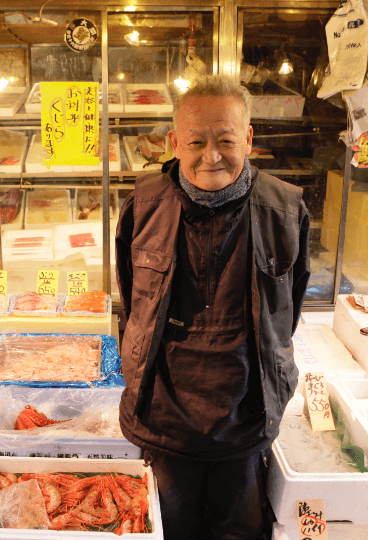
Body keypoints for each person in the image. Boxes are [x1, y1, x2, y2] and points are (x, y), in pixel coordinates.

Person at [115, 74, 310, 540]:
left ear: (248, 138)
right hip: (164, 416)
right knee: (167, 527)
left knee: (241, 529)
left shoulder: (285, 209)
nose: (212, 155)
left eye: (225, 140)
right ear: (173, 141)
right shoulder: (142, 205)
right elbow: (131, 305)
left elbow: (289, 311)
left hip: (246, 414)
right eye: (196, 141)